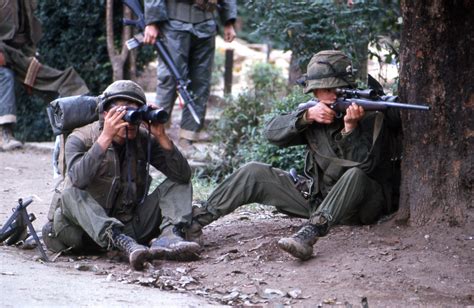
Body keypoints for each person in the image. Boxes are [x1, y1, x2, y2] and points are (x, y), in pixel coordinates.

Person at [186, 50, 398, 261]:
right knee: (253, 172)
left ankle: (309, 234)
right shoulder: (313, 115)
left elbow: (366, 167)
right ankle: (194, 223)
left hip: (361, 206)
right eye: (326, 89)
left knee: (355, 175)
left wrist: (350, 129)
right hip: (319, 199)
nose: (333, 95)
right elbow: (270, 133)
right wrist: (305, 117)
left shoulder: (370, 115)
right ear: (314, 92)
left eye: (338, 89)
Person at [42, 80, 200, 270]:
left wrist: (161, 136)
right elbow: (77, 180)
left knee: (179, 183)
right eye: (125, 113)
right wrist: (105, 138)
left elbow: (182, 176)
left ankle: (168, 239)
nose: (131, 122)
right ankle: (120, 241)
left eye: (137, 114)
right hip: (81, 232)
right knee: (69, 193)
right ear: (107, 115)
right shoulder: (80, 138)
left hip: (129, 229)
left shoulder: (142, 139)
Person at [143, 0, 237, 151]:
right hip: (174, 23)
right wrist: (152, 21)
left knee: (201, 82)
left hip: (206, 24)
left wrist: (228, 21)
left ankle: (188, 138)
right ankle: (155, 134)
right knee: (170, 79)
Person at [0, 0, 89, 151]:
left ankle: (78, 130)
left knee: (63, 81)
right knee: (5, 76)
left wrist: (32, 58)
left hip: (19, 54)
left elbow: (27, 31)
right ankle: (4, 133)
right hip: (5, 54)